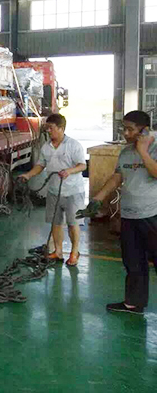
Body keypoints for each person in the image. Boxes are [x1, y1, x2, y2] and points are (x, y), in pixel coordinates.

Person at [80, 110, 157, 315]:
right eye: (124, 128)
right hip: (130, 216)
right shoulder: (125, 152)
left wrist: (143, 151)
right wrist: (97, 199)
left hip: (152, 215)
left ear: (144, 130)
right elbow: (117, 177)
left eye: (130, 129)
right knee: (133, 261)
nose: (125, 133)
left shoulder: (154, 148)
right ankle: (133, 303)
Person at [18, 113, 87, 266]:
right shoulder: (46, 147)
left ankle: (74, 253)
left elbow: (83, 165)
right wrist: (28, 175)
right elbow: (40, 165)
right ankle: (58, 251)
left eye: (51, 128)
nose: (48, 131)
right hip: (54, 191)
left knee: (72, 223)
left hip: (73, 192)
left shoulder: (73, 145)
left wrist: (69, 171)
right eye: (47, 128)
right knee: (56, 223)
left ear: (61, 128)